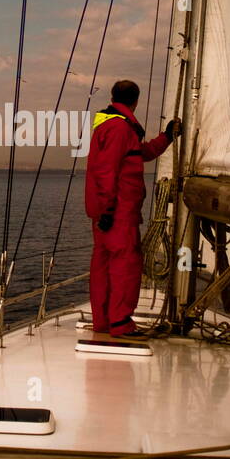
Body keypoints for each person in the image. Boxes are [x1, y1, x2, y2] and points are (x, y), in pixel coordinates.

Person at [84, 80, 181, 340]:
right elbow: (107, 170)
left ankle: (104, 322)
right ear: (135, 100)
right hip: (117, 212)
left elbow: (140, 154)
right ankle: (121, 323)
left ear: (114, 97)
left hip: (107, 212)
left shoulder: (111, 124)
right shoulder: (119, 128)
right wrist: (108, 210)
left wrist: (166, 137)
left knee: (104, 266)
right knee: (125, 265)